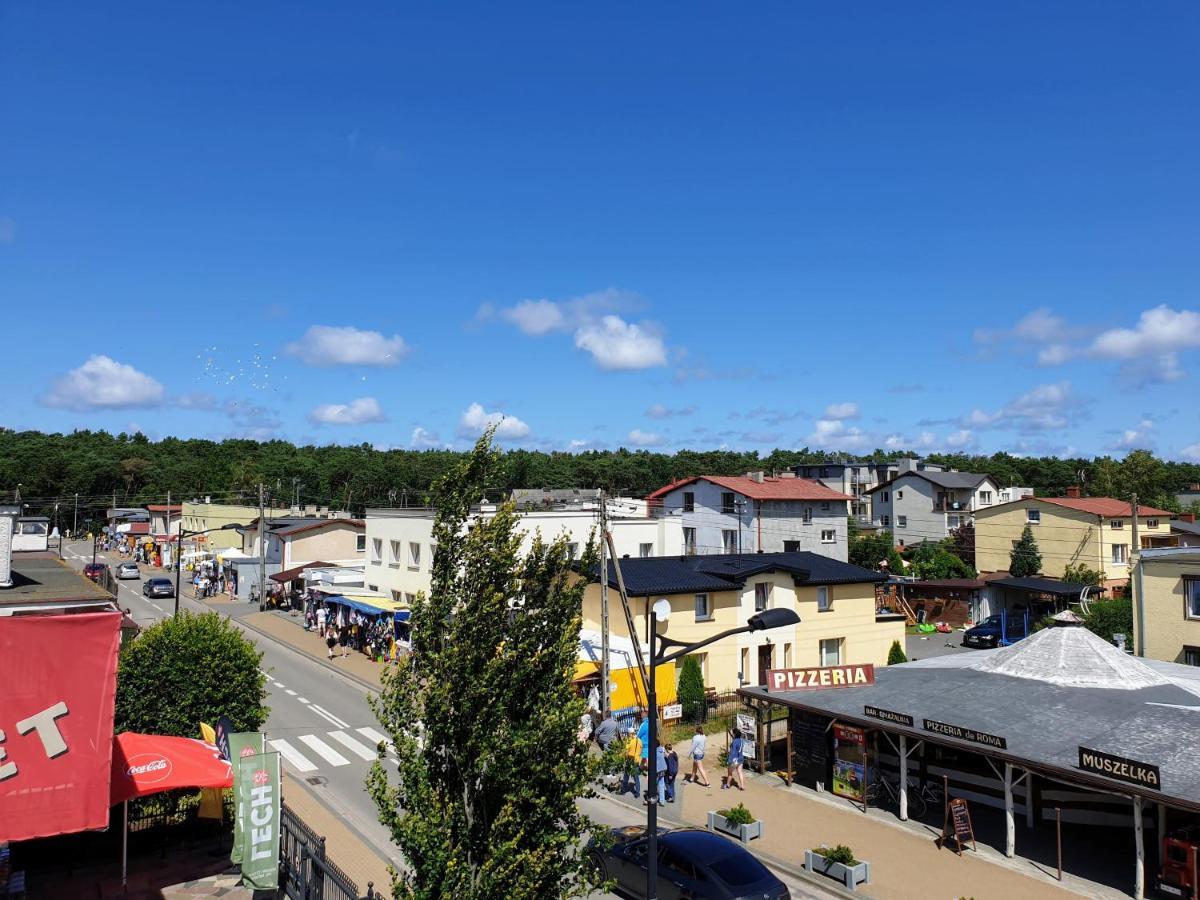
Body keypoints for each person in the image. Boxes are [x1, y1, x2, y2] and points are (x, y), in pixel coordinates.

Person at [620, 728, 642, 799]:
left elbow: (626, 752)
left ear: (629, 733)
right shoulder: (639, 740)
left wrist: (624, 759)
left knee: (626, 775)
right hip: (636, 760)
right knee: (636, 777)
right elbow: (641, 749)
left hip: (630, 760)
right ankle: (637, 793)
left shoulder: (629, 741)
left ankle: (623, 790)